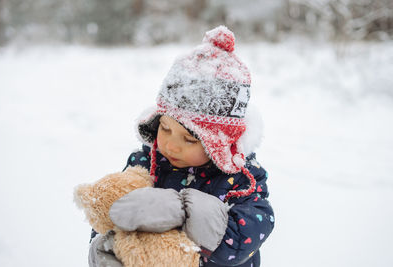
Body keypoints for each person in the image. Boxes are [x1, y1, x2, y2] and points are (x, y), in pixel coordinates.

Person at [88, 25, 274, 267]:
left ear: (219, 143)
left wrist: (186, 211)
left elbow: (244, 239)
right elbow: (112, 215)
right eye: (165, 128)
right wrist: (107, 248)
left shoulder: (242, 178)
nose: (171, 146)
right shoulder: (144, 163)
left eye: (190, 139)